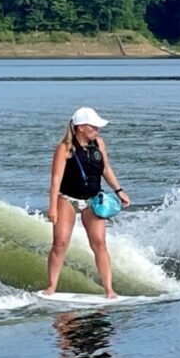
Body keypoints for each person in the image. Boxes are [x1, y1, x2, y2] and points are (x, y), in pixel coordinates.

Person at [43, 106, 130, 298]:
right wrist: (52, 207)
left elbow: (106, 169)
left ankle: (109, 289)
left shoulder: (98, 143)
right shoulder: (64, 148)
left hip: (93, 199)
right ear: (81, 127)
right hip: (67, 199)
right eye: (94, 126)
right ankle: (51, 286)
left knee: (99, 244)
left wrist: (119, 190)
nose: (97, 130)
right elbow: (56, 179)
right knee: (60, 243)